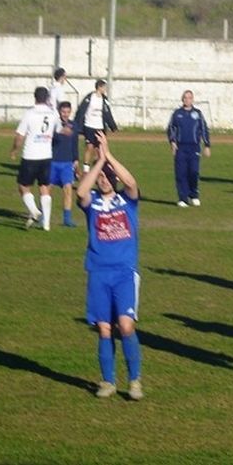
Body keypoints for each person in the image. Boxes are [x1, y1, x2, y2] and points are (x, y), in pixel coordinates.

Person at [77, 132, 144, 400]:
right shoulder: (92, 203)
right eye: (101, 177)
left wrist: (110, 157)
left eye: (107, 176)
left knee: (126, 326)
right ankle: (108, 381)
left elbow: (131, 182)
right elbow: (81, 191)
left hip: (124, 272)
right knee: (104, 329)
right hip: (98, 272)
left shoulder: (127, 202)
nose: (104, 180)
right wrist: (97, 162)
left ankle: (135, 380)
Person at [11, 87, 59, 231]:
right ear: (47, 98)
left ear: (35, 97)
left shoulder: (30, 114)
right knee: (44, 187)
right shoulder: (53, 113)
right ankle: (46, 224)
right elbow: (58, 131)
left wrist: (14, 150)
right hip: (46, 155)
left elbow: (20, 136)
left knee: (23, 185)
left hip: (30, 155)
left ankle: (34, 210)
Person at [167, 90, 212, 207]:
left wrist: (207, 145)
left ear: (193, 100)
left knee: (194, 172)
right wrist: (172, 142)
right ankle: (182, 198)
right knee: (181, 173)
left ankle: (194, 195)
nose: (188, 100)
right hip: (181, 147)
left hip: (194, 147)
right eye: (185, 98)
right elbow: (171, 128)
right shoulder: (177, 114)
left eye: (190, 98)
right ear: (182, 100)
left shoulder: (198, 114)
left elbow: (204, 129)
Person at [74, 79, 118, 169]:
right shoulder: (89, 98)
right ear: (99, 87)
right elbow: (81, 111)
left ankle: (98, 169)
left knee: (99, 149)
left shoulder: (104, 100)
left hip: (100, 127)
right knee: (89, 147)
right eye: (104, 87)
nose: (105, 89)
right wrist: (77, 125)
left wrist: (112, 126)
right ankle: (86, 169)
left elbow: (108, 113)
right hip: (89, 126)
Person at [50, 101, 80, 228]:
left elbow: (75, 144)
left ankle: (67, 219)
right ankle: (42, 216)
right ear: (59, 111)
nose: (65, 114)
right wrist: (59, 132)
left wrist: (76, 159)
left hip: (67, 163)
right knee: (47, 190)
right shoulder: (53, 124)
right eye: (63, 112)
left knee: (68, 190)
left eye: (68, 112)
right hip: (52, 162)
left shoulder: (74, 126)